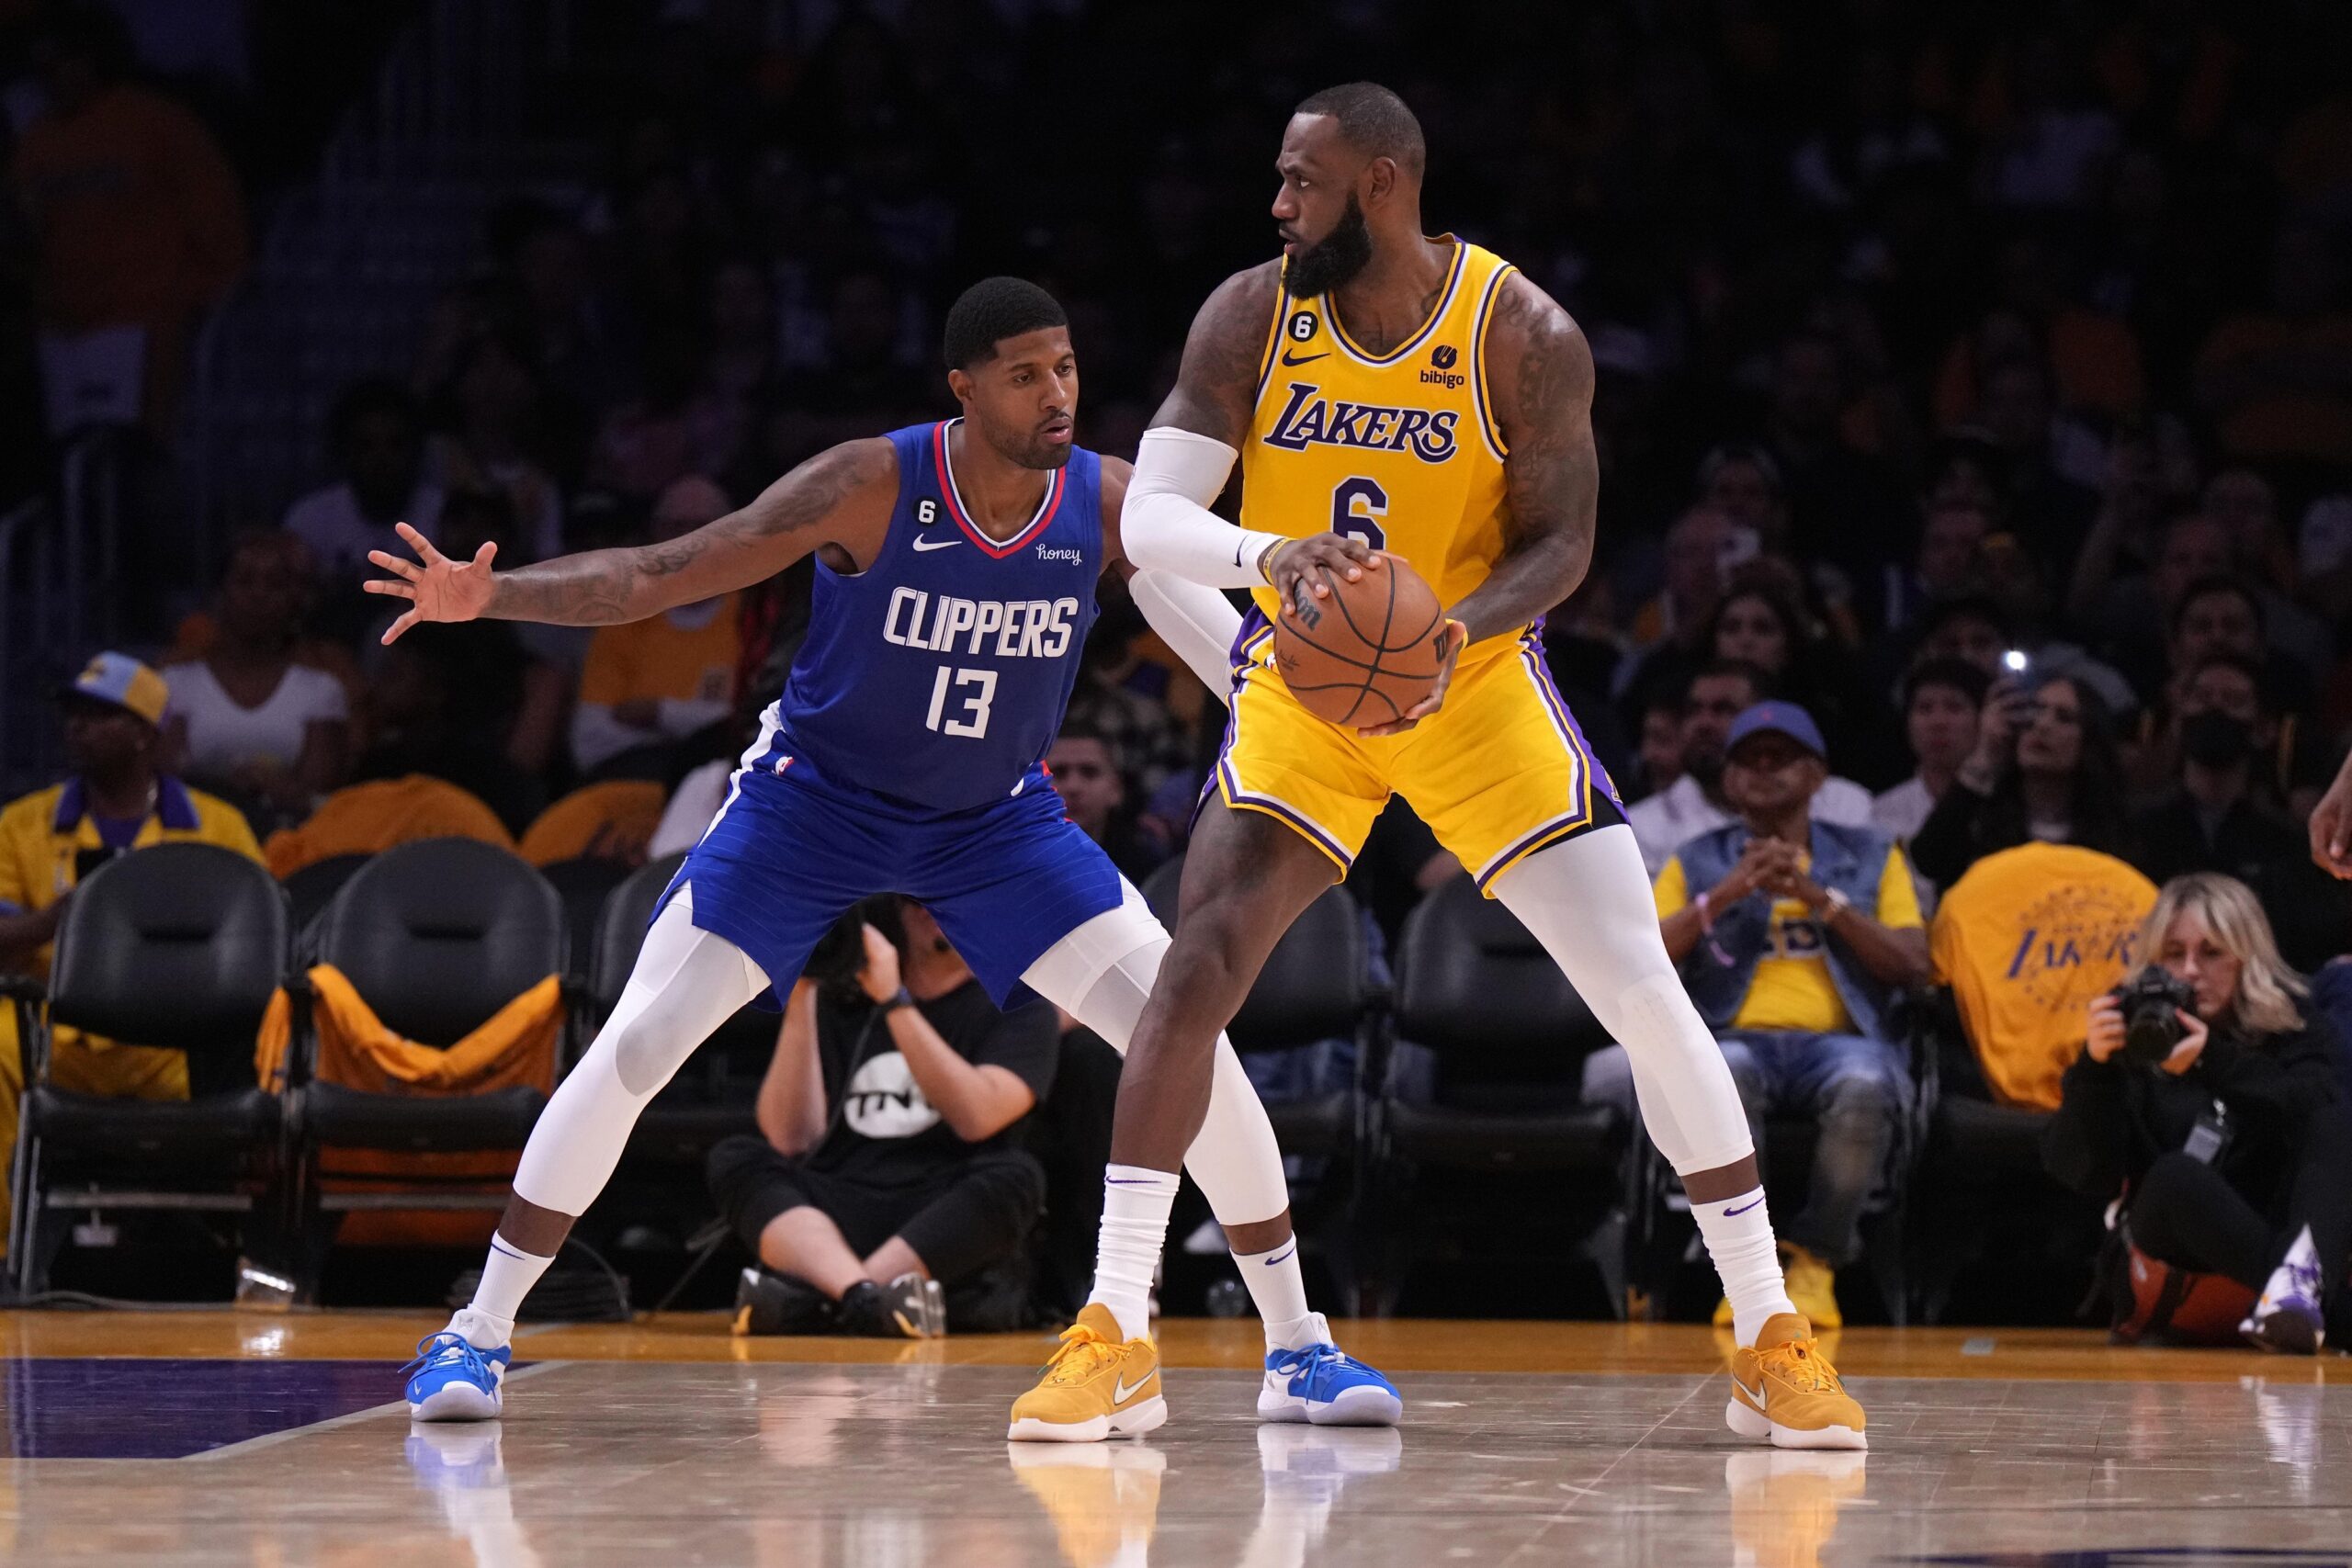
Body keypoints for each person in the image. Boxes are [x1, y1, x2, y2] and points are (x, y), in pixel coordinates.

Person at [369, 277, 1398, 1431]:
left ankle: (1299, 1351)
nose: (1056, 392)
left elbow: (1227, 634)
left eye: (1064, 367)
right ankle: (476, 1334)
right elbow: (666, 572)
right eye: (1024, 374)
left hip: (993, 819)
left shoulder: (1104, 501)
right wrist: (487, 594)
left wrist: (1309, 680)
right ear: (963, 390)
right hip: (817, 802)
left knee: (1182, 1027)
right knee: (645, 1038)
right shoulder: (870, 482)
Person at [1064, 83, 1864, 1450]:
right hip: (1309, 693)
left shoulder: (1524, 332)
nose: (1277, 204)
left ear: (1382, 181)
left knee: (1641, 988)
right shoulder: (1252, 314)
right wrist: (1272, 569)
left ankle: (1767, 1330)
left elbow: (1560, 542)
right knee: (1194, 964)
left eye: (1300, 180)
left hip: (1472, 686)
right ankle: (1114, 1330)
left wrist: (1454, 630)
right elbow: (1150, 513)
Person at [1586, 702, 1928, 1329]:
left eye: (1782, 758)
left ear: (1817, 774)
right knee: (1722, 1073)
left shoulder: (1875, 853)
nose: (1764, 770)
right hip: (1733, 1036)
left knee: (1867, 1083)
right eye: (1749, 759)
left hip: (1842, 1042)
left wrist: (1818, 898)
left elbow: (1912, 962)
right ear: (1730, 778)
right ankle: (1754, 1269)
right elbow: (1643, 953)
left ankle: (1816, 1262)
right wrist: (1727, 893)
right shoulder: (1696, 857)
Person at [711, 897, 1056, 1337]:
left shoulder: (1020, 1007)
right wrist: (803, 995)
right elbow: (791, 1137)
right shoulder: (845, 998)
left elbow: (978, 1116)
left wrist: (895, 1002)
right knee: (738, 1156)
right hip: (838, 1201)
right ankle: (867, 1299)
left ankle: (828, 1298)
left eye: (952, 897)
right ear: (896, 913)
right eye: (920, 903)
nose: (935, 911)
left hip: (937, 1208)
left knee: (1016, 1176)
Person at [2044, 874, 2349, 1353]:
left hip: (2273, 1226)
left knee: (2331, 1117)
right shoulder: (2132, 1033)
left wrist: (2212, 1063)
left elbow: (2323, 1122)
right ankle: (2324, 1307)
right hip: (2175, 1261)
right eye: (2173, 953)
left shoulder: (2293, 1025)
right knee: (2174, 1177)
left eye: (2211, 953)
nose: (2190, 970)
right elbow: (2080, 1173)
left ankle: (2292, 1300)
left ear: (2247, 958)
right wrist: (2094, 1070)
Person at [0, 655, 264, 1186]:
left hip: (178, 1045)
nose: (79, 726)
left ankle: (245, 1248)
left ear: (144, 733)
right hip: (56, 1037)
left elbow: (261, 944)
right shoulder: (21, 824)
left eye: (100, 715)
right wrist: (55, 919)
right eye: (74, 712)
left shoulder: (218, 826)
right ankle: (6, 1249)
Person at [162, 531, 351, 828]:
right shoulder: (175, 684)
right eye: (244, 581)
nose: (258, 595)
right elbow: (166, 782)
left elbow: (318, 794)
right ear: (219, 594)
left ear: (295, 599)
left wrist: (276, 789)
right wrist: (230, 788)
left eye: (274, 584)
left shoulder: (322, 690)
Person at [1629, 660, 1873, 877]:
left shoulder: (1846, 804)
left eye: (1724, 709)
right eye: (1694, 710)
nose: (1703, 723)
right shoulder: (1642, 826)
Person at [570, 477, 743, 778]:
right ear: (655, 535)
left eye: (703, 527)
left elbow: (758, 727)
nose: (688, 541)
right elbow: (589, 740)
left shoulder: (755, 615)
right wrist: (695, 728)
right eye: (674, 527)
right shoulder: (625, 618)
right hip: (633, 783)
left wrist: (659, 712)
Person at [1907, 673, 2135, 890]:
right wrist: (1984, 754)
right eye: (2034, 711)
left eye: (2063, 718)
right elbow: (1927, 861)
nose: (2042, 724)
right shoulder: (1981, 818)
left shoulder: (2116, 829)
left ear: (2090, 742)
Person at [285, 379, 446, 586]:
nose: (381, 459)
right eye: (365, 446)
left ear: (415, 450)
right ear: (345, 451)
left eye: (395, 445)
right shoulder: (309, 520)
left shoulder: (442, 515)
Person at [1871, 659, 1988, 845]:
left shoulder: (2008, 809)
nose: (1938, 722)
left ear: (1984, 718)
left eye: (1954, 708)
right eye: (1925, 709)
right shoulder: (1881, 813)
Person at [1044, 724, 1167, 884]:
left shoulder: (1150, 873)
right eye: (1059, 772)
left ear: (1116, 789)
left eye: (1089, 772)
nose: (1073, 786)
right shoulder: (1013, 863)